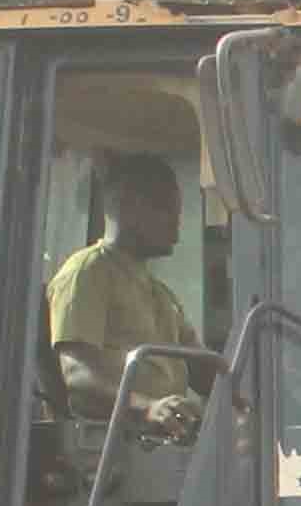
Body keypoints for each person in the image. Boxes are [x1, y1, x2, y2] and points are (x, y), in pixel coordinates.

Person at [47, 152, 196, 383]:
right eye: (165, 209)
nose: (176, 222)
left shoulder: (160, 294)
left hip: (171, 407)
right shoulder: (87, 272)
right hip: (117, 408)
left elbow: (204, 367)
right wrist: (147, 403)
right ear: (129, 207)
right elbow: (77, 373)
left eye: (177, 211)